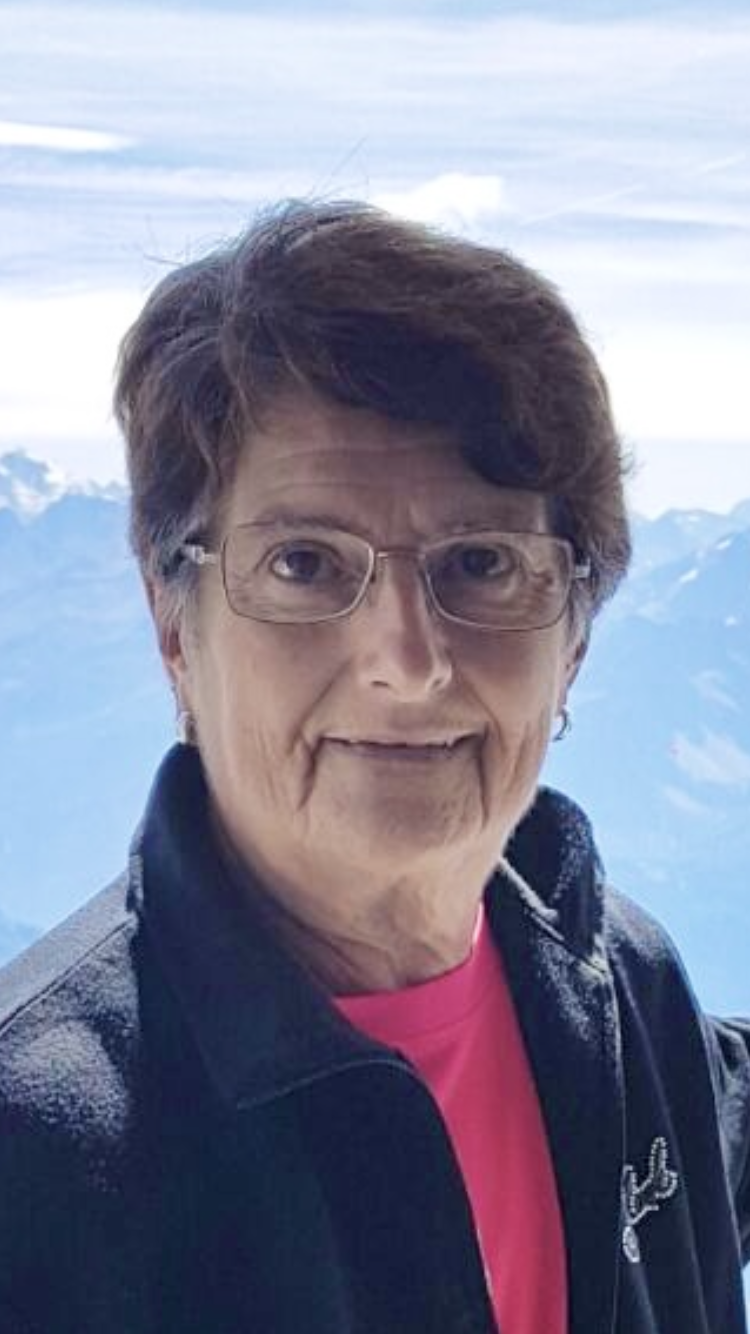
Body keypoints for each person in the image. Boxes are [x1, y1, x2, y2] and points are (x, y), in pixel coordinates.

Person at [0, 200, 747, 1334]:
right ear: (174, 625)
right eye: (304, 563)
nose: (408, 658)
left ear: (574, 641)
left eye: (482, 562)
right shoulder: (37, 1160)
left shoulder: (623, 997)